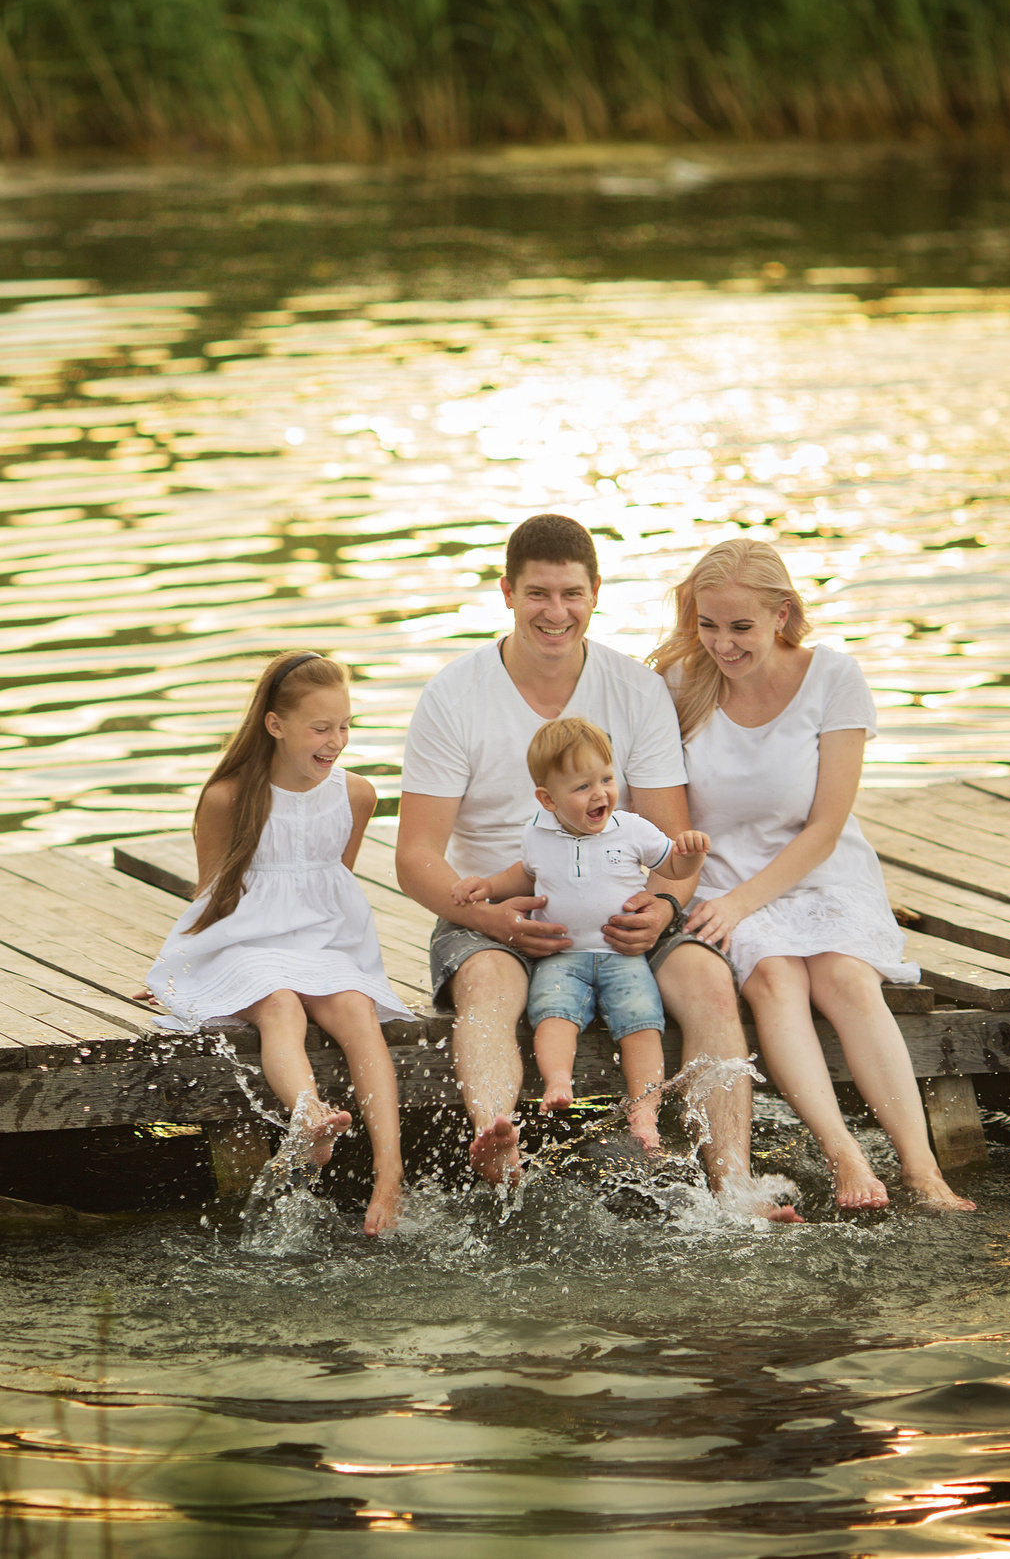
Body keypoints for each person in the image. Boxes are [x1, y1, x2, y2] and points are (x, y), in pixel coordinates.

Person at [396, 514, 787, 1217]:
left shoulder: (634, 690)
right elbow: (415, 856)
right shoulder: (453, 696)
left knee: (707, 977)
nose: (556, 612)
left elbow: (673, 843)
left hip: (620, 915)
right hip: (499, 910)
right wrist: (491, 918)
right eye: (538, 594)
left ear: (596, 591)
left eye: (571, 593)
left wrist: (663, 908)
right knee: (485, 985)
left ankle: (735, 1186)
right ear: (507, 592)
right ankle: (498, 1145)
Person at [650, 538, 975, 1212]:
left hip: (820, 869)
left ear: (782, 612)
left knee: (845, 977)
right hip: (722, 877)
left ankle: (922, 1169)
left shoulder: (832, 677)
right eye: (708, 624)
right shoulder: (679, 683)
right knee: (775, 976)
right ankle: (844, 1153)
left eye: (741, 626)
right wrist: (729, 902)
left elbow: (826, 825)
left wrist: (745, 902)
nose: (723, 644)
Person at [145, 651, 410, 1235]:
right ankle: (309, 1117)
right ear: (275, 724)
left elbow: (333, 879)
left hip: (323, 939)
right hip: (246, 941)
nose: (335, 740)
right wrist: (176, 972)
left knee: (356, 1012)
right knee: (280, 1005)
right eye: (320, 728)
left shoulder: (356, 795)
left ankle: (389, 1170)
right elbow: (211, 894)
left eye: (345, 726)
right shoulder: (228, 798)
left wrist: (329, 957)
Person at [450, 716, 709, 1151]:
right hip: (562, 956)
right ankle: (558, 1083)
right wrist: (488, 887)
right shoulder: (537, 832)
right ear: (548, 799)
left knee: (642, 1024)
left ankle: (644, 1108)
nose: (600, 793)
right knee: (552, 1016)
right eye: (582, 787)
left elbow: (672, 868)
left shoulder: (632, 829)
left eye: (606, 778)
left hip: (623, 955)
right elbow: (524, 873)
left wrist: (692, 857)